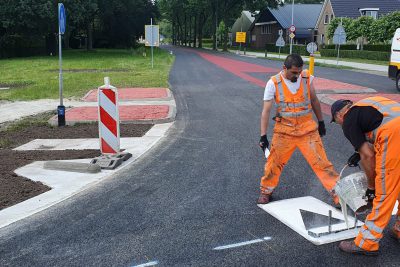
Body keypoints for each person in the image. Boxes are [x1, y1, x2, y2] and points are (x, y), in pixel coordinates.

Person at [258, 54, 339, 206]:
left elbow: (314, 99)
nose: (297, 76)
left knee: (322, 164)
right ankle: (266, 191)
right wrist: (263, 136)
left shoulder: (306, 78)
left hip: (307, 130)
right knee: (274, 163)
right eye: (294, 72)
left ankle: (338, 195)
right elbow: (266, 111)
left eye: (300, 72)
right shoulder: (273, 83)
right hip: (284, 132)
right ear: (284, 68)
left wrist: (321, 121)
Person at [331, 96, 400, 256]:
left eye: (336, 122)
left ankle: (367, 242)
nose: (340, 125)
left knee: (384, 191)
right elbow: (376, 127)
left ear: (339, 116)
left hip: (394, 134)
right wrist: (358, 152)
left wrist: (371, 187)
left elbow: (368, 156)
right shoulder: (367, 105)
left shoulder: (348, 121)